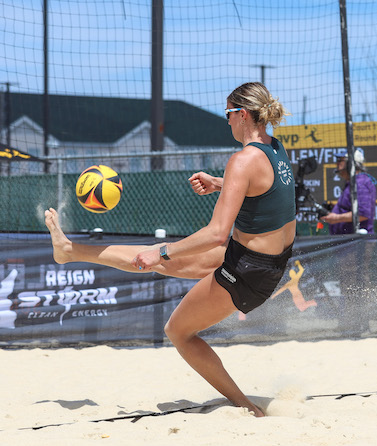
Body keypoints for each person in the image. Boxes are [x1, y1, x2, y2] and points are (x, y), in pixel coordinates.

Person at [44, 82, 295, 417]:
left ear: (243, 114)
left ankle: (247, 406)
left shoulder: (242, 159)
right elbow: (268, 191)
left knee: (177, 329)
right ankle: (69, 250)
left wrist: (161, 254)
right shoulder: (275, 148)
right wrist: (221, 185)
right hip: (260, 258)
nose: (227, 121)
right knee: (159, 257)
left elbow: (216, 233)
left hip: (248, 269)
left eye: (228, 114)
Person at [320, 148, 377, 234]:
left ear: (351, 163)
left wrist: (335, 218)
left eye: (340, 161)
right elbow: (353, 208)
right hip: (350, 239)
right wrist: (336, 209)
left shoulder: (360, 183)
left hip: (358, 240)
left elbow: (363, 214)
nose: (337, 164)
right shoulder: (353, 182)